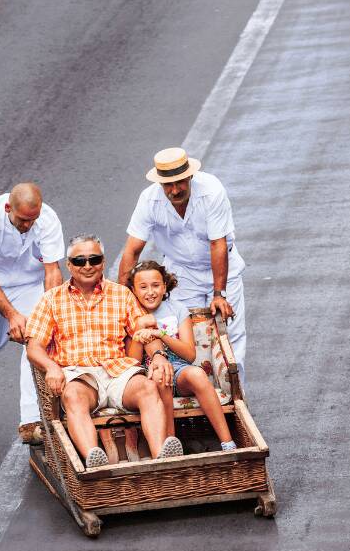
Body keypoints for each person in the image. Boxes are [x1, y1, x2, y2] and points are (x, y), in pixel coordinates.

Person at [26, 234, 183, 469]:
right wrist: (51, 367)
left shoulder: (121, 294)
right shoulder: (51, 300)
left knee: (148, 388)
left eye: (94, 259)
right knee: (72, 396)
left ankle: (162, 457)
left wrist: (159, 356)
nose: (87, 266)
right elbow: (34, 346)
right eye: (80, 261)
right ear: (69, 265)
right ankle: (95, 462)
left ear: (102, 261)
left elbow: (145, 331)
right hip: (79, 375)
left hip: (118, 371)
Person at [118, 147, 249, 384]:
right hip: (182, 273)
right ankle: (201, 393)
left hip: (221, 268)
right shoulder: (149, 200)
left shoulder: (211, 190)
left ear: (189, 177)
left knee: (230, 337)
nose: (175, 190)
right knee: (192, 336)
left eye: (179, 183)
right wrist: (122, 299)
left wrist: (219, 294)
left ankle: (235, 400)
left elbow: (217, 244)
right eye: (168, 185)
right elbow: (132, 250)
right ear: (160, 183)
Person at [0, 182, 64, 444]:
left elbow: (53, 272)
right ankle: (14, 327)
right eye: (22, 221)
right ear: (9, 208)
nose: (28, 226)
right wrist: (11, 315)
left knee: (37, 340)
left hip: (29, 284)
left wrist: (48, 315)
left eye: (33, 220)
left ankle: (31, 421)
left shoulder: (48, 219)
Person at [125, 260, 237, 452]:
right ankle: (170, 443)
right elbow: (133, 361)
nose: (150, 292)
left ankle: (228, 443)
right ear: (134, 290)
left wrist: (161, 334)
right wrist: (138, 332)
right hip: (148, 372)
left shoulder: (177, 309)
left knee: (197, 374)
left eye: (155, 285)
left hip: (179, 367)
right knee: (161, 376)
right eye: (143, 287)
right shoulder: (132, 314)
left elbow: (190, 354)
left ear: (165, 286)